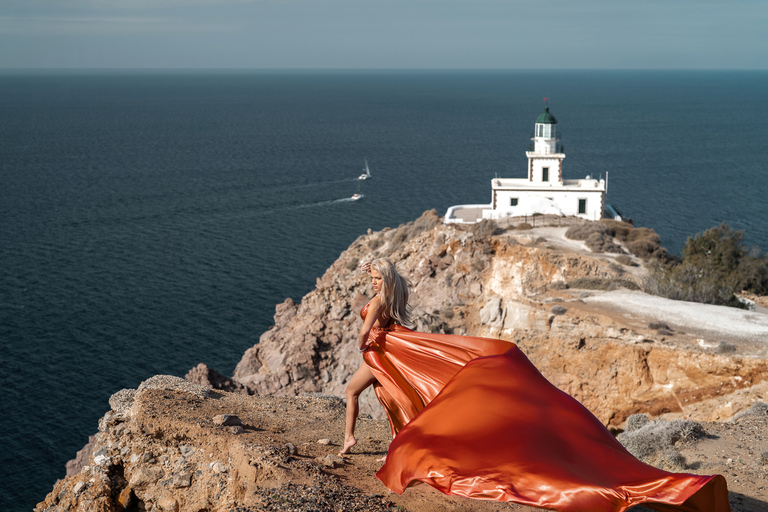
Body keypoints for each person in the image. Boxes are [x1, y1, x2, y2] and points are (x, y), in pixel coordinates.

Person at [341, 257, 730, 512]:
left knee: (355, 392)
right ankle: (365, 439)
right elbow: (390, 305)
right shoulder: (392, 293)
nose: (373, 281)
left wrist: (367, 339)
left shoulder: (376, 302)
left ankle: (350, 440)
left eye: (376, 277)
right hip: (393, 350)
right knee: (397, 398)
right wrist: (372, 271)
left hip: (379, 353)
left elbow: (361, 339)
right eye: (372, 277)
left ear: (382, 280)